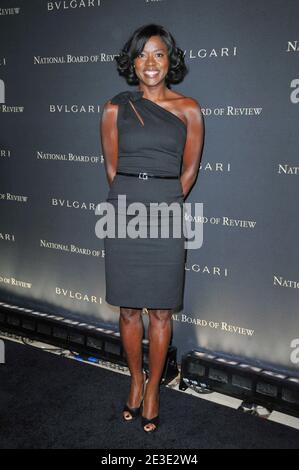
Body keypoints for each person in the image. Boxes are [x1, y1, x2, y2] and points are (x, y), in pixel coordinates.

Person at [100, 23, 204, 433]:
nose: (150, 63)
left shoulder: (189, 108)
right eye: (142, 54)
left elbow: (190, 170)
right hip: (123, 209)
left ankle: (155, 388)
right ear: (132, 61)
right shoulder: (114, 108)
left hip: (166, 211)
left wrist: (162, 201)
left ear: (169, 60)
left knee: (160, 310)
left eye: (158, 54)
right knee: (128, 310)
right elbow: (111, 167)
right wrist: (132, 199)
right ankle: (135, 379)